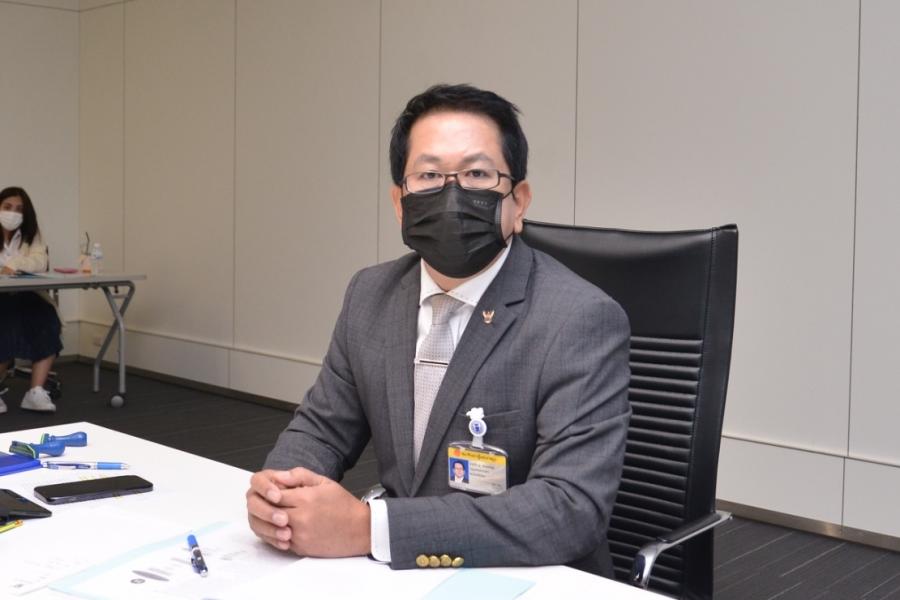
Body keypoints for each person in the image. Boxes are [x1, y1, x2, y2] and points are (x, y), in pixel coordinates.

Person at [246, 84, 631, 575]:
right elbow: (322, 428)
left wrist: (369, 528)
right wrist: (280, 496)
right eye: (428, 176)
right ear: (400, 203)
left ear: (519, 202)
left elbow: (569, 508)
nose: (452, 195)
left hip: (528, 577)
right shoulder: (371, 293)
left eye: (477, 174)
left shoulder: (578, 318)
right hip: (396, 575)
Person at [0, 186, 61, 414]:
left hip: (27, 294)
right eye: (7, 207)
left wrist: (13, 265)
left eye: (19, 209)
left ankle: (35, 391)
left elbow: (39, 262)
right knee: (6, 327)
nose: (12, 213)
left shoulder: (32, 235)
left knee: (47, 320)